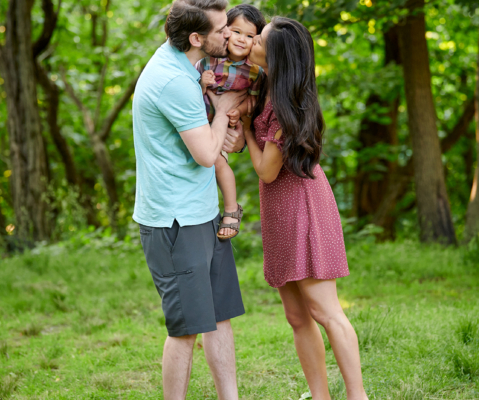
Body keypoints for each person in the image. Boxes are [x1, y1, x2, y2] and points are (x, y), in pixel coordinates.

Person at [242, 17, 369, 400]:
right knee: (297, 316)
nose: (251, 43)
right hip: (281, 211)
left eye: (258, 41)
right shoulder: (265, 89)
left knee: (326, 311)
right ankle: (320, 396)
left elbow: (266, 170)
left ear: (276, 56)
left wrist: (246, 127)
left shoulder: (286, 107)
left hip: (303, 207)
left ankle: (357, 396)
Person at [132, 0, 247, 398]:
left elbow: (212, 144)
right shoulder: (173, 80)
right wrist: (225, 111)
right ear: (197, 38)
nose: (229, 35)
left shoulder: (187, 66)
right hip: (175, 222)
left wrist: (221, 125)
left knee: (219, 317)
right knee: (185, 329)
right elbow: (204, 153)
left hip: (202, 213)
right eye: (221, 30)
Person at [195, 4, 266, 239]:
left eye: (249, 36)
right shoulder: (208, 61)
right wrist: (203, 82)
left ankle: (231, 209)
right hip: (200, 124)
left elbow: (255, 102)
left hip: (225, 128)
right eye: (236, 32)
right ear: (226, 30)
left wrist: (239, 110)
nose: (241, 40)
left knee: (217, 163)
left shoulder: (255, 72)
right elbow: (191, 93)